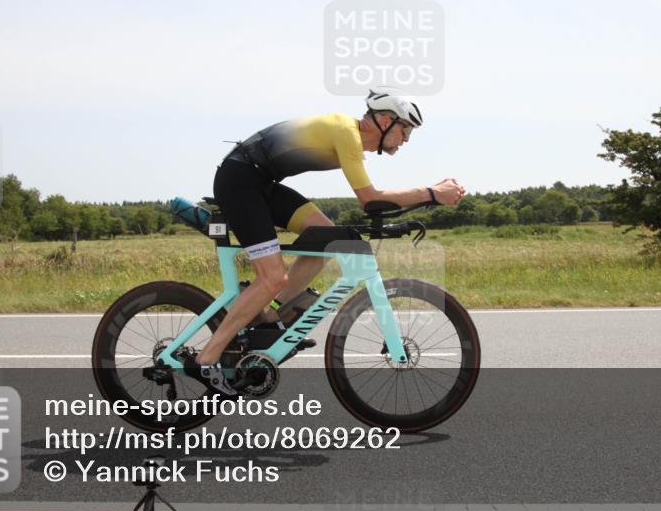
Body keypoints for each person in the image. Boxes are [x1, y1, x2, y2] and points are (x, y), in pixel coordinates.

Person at [182, 90, 466, 394]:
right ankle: (205, 359)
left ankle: (269, 319)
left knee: (325, 239)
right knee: (273, 277)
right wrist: (431, 193)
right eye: (405, 129)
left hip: (260, 182)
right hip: (241, 181)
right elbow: (369, 198)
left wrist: (427, 197)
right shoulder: (347, 133)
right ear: (384, 120)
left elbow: (372, 203)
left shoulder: (351, 139)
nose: (407, 139)